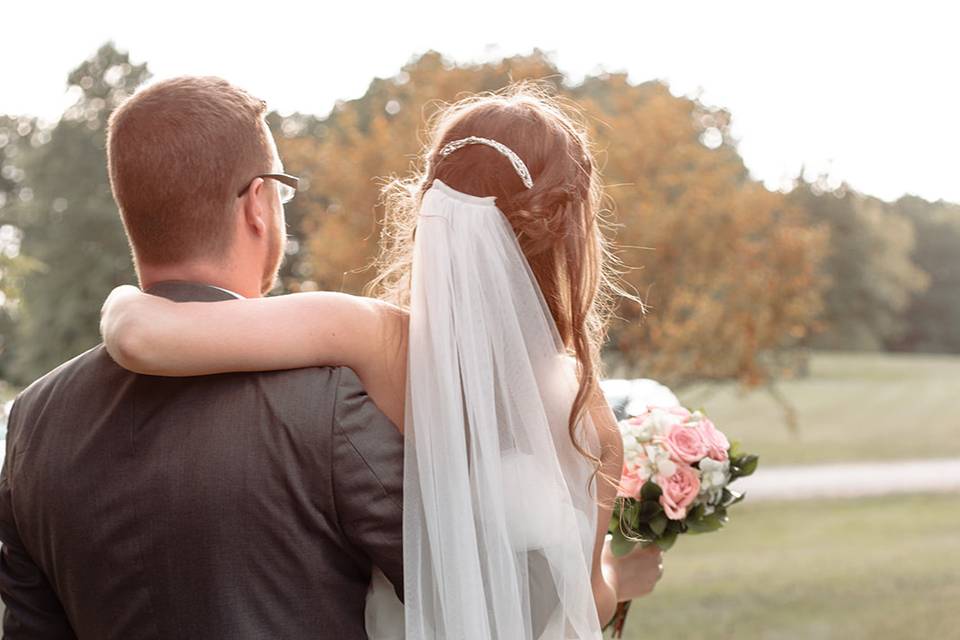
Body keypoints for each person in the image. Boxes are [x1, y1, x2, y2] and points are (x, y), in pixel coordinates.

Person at [100, 85, 663, 639]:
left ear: (431, 210)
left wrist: (123, 298)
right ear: (573, 234)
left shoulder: (378, 341)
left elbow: (138, 340)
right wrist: (620, 573)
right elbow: (581, 602)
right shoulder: (590, 422)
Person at [0, 76, 406, 639]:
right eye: (282, 190)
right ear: (258, 203)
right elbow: (468, 583)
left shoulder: (32, 421)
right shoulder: (327, 401)